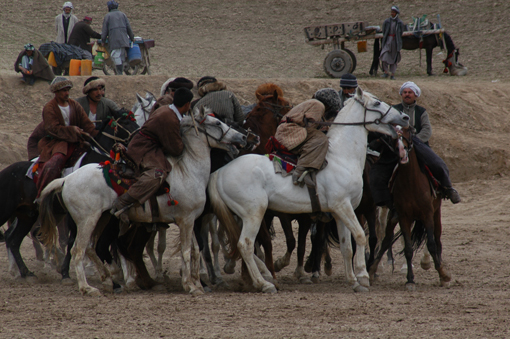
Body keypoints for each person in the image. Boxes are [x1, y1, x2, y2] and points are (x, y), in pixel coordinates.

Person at [369, 81, 461, 205]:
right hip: (396, 145)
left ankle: (448, 189)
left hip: (418, 145)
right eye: (405, 92)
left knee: (437, 163)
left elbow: (427, 131)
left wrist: (413, 141)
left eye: (410, 92)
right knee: (377, 171)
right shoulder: (394, 110)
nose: (407, 95)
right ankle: (384, 202)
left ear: (415, 95)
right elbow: (387, 126)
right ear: (401, 94)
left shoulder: (421, 112)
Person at [110, 88, 194, 221]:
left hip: (150, 145)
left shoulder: (168, 110)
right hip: (144, 148)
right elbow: (176, 149)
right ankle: (123, 202)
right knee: (157, 173)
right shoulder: (169, 117)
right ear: (187, 104)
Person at [36, 77, 98, 197]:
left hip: (77, 142)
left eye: (68, 90)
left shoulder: (75, 105)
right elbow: (52, 129)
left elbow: (87, 124)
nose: (67, 93)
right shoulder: (49, 108)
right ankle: (43, 194)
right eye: (64, 90)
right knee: (55, 162)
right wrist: (72, 130)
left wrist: (97, 134)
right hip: (56, 143)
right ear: (56, 92)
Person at [274, 99, 328, 185]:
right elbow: (311, 125)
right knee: (320, 138)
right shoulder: (319, 105)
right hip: (288, 131)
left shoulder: (310, 103)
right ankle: (300, 170)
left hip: (284, 131)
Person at [101, 0, 135, 76]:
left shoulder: (108, 16)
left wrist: (103, 40)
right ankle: (120, 72)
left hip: (115, 40)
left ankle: (119, 73)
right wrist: (132, 37)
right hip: (124, 39)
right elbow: (128, 27)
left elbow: (104, 30)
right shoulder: (123, 15)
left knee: (115, 56)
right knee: (121, 56)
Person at [380, 6, 404, 80]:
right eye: (391, 12)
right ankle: (386, 72)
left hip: (395, 42)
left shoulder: (399, 23)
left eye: (393, 12)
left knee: (394, 58)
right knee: (384, 56)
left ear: (396, 13)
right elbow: (384, 31)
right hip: (388, 41)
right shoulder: (387, 21)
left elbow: (401, 32)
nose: (392, 13)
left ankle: (392, 74)